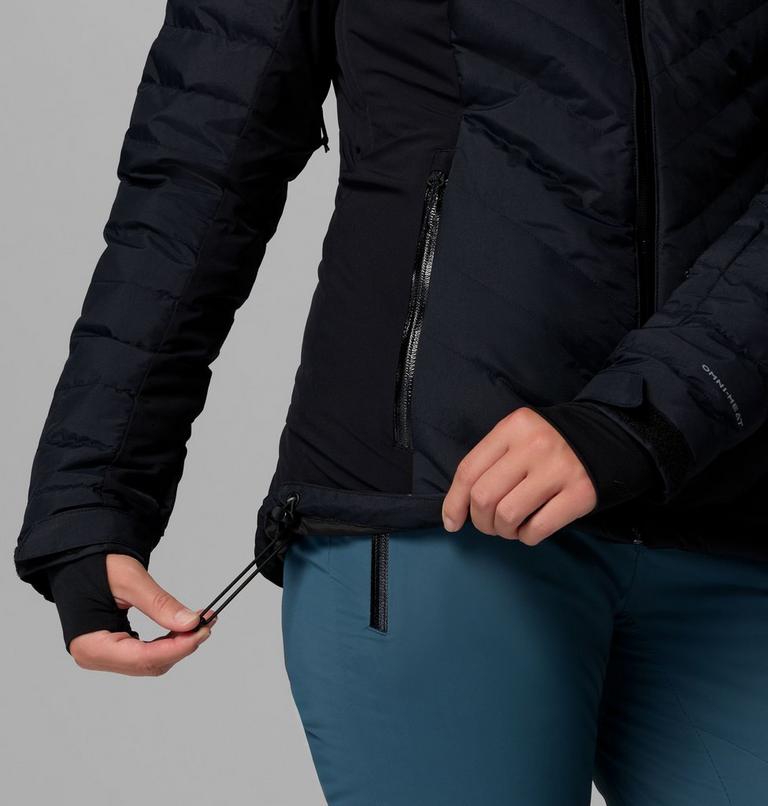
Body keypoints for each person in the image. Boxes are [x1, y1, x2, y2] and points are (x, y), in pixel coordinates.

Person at [14, 1, 768, 803]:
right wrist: (92, 490)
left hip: (732, 501)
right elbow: (202, 159)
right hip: (436, 513)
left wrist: (651, 410)